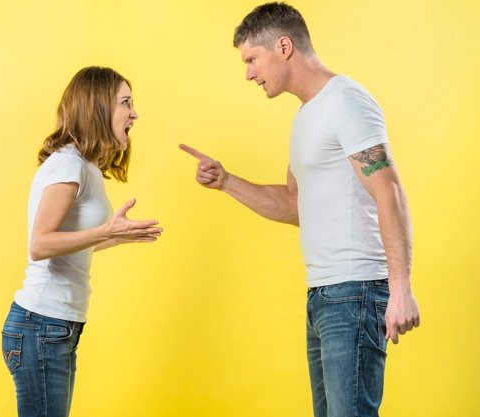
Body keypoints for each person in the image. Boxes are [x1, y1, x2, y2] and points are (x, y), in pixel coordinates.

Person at [180, 3, 420, 416]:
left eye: (252, 59)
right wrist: (227, 182)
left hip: (355, 293)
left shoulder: (346, 101)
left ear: (284, 46)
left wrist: (400, 289)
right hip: (324, 299)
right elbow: (294, 205)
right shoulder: (306, 116)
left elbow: (389, 191)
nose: (249, 74)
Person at [1, 66, 162, 417]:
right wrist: (106, 231)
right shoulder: (68, 165)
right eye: (125, 103)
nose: (134, 112)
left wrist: (117, 237)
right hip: (41, 324)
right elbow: (40, 245)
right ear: (98, 107)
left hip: (56, 326)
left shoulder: (86, 166)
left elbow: (70, 243)